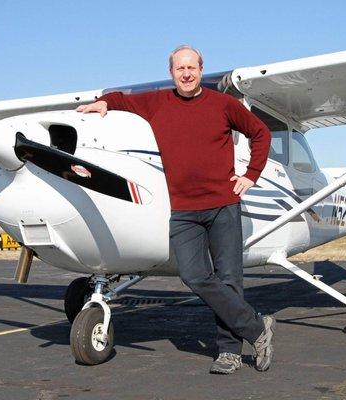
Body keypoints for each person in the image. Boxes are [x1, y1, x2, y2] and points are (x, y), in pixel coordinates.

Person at [76, 45, 274, 374]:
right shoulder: (157, 102)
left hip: (223, 205)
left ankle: (229, 352)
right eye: (179, 68)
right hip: (184, 209)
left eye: (192, 68)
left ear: (200, 69)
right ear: (171, 73)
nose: (186, 73)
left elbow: (260, 133)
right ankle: (257, 327)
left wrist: (250, 176)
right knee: (194, 276)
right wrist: (104, 103)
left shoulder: (223, 104)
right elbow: (123, 99)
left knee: (229, 280)